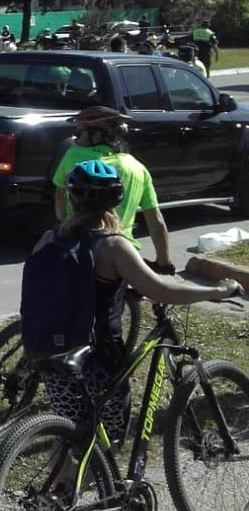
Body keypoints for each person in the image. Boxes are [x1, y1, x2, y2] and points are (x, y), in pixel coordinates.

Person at [31, 160, 241, 442]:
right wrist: (216, 291)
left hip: (50, 355)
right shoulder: (113, 247)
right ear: (116, 201)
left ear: (71, 197)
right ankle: (97, 482)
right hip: (96, 362)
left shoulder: (48, 239)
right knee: (113, 438)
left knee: (70, 435)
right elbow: (162, 291)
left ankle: (60, 485)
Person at [51, 107, 171, 269]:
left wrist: (64, 223)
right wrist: (164, 263)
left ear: (98, 135)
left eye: (79, 133)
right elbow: (156, 221)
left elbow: (60, 195)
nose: (75, 138)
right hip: (123, 254)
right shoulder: (137, 167)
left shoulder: (73, 155)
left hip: (77, 248)